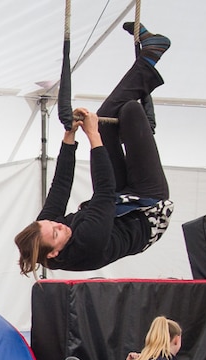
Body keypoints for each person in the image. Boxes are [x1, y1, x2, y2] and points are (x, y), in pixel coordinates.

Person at [15, 22, 174, 275]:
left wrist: (69, 137)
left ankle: (151, 54)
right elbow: (103, 191)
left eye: (51, 223)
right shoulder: (86, 243)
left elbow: (61, 185)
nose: (60, 226)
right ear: (55, 252)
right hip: (148, 208)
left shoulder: (44, 232)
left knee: (107, 117)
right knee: (131, 111)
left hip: (118, 200)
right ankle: (151, 56)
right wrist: (92, 135)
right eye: (57, 232)